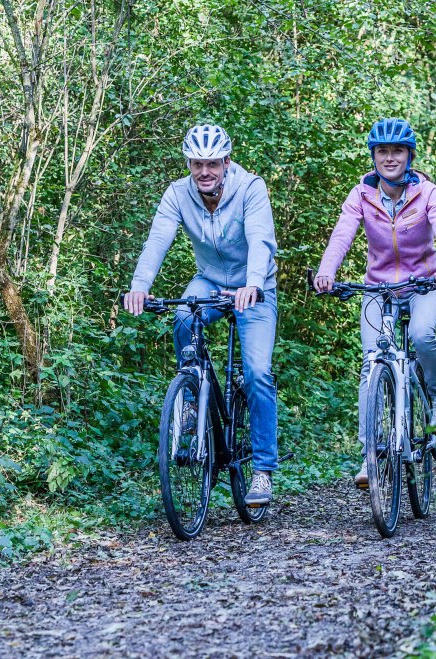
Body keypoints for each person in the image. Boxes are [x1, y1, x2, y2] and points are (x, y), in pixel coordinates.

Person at [123, 124, 280, 506]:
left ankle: (262, 470)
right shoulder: (178, 193)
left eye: (212, 163)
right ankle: (193, 398)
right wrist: (140, 284)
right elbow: (158, 239)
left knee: (258, 373)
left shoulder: (251, 188)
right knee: (182, 317)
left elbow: (261, 239)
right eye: (197, 164)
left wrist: (254, 283)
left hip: (254, 287)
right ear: (189, 163)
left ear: (226, 162)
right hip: (209, 281)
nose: (205, 171)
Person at [313, 118, 436, 488]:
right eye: (383, 151)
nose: (390, 158)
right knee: (371, 364)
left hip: (425, 283)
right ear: (374, 156)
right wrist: (325, 271)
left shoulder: (427, 193)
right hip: (378, 290)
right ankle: (370, 454)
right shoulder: (361, 194)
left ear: (409, 156)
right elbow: (341, 235)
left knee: (424, 335)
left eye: (397, 151)